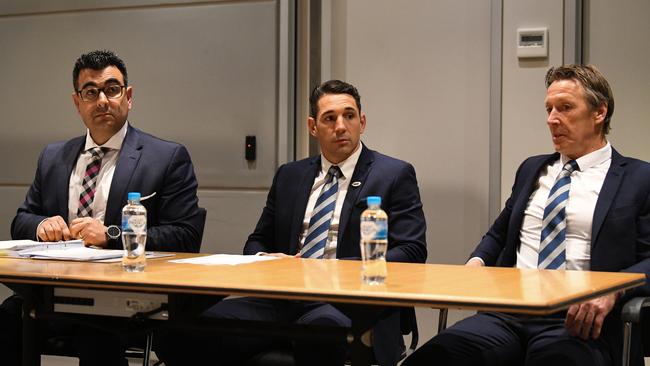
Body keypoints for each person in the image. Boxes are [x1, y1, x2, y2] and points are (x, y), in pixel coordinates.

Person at [158, 79, 427, 366]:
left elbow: (412, 251)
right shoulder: (290, 175)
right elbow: (256, 240)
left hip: (348, 301)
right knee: (179, 331)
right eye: (329, 118)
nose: (340, 126)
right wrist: (266, 259)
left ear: (362, 122)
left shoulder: (393, 175)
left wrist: (338, 271)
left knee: (319, 331)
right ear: (313, 127)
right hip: (282, 298)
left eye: (349, 116)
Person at [403, 64, 650, 366]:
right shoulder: (532, 169)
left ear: (599, 113)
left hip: (577, 323)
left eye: (565, 108)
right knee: (432, 359)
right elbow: (499, 233)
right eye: (548, 109)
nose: (552, 119)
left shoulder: (638, 178)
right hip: (508, 314)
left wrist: (612, 291)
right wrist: (475, 264)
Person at [8, 49, 203, 365]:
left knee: (95, 331)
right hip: (56, 291)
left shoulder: (166, 157)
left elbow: (186, 236)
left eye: (111, 89)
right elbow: (22, 220)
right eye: (91, 92)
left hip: (127, 297)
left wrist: (113, 235)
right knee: (8, 318)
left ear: (128, 96)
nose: (102, 100)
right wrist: (40, 225)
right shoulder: (53, 157)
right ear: (77, 103)